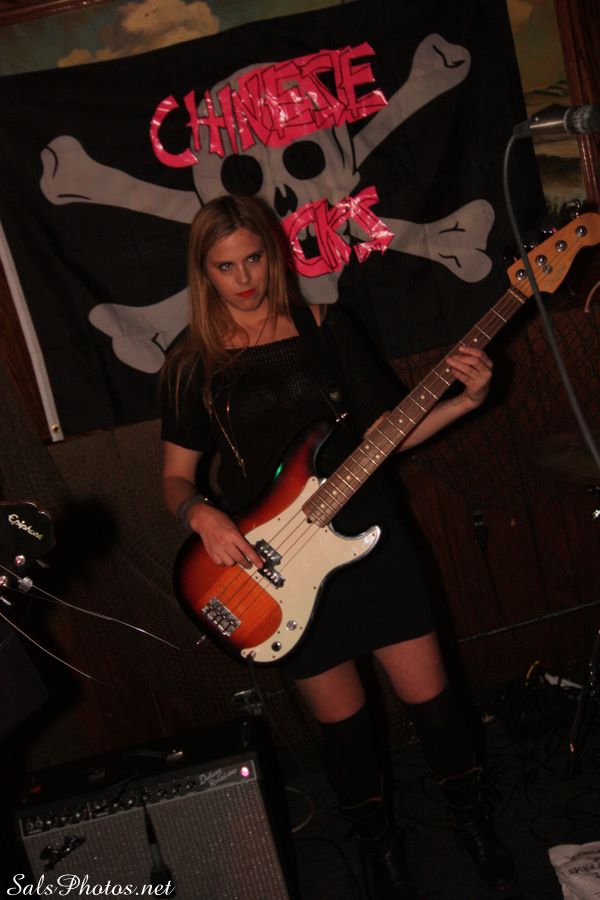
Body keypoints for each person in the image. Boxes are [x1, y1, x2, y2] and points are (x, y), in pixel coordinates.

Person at [160, 194, 514, 898]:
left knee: (436, 707)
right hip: (275, 565)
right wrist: (201, 515)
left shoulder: (326, 326)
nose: (245, 278)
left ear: (274, 252)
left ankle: (475, 826)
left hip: (370, 541)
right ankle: (379, 850)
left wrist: (466, 401)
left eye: (254, 258)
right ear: (204, 272)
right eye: (226, 266)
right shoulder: (191, 362)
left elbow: (387, 435)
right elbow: (174, 478)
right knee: (345, 732)